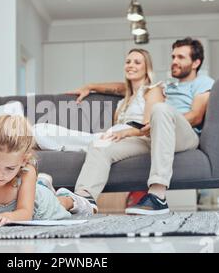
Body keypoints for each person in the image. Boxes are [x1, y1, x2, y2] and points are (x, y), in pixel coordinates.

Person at [67, 37, 214, 215]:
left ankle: (158, 196)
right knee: (101, 145)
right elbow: (124, 87)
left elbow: (196, 116)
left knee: (160, 110)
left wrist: (156, 121)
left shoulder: (203, 82)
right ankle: (84, 199)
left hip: (183, 135)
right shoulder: (166, 86)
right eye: (173, 56)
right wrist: (90, 86)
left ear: (195, 63)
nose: (174, 61)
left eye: (181, 57)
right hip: (153, 134)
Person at [34, 48, 165, 214]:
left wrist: (124, 133)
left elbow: (149, 126)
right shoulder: (127, 95)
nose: (131, 65)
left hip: (137, 138)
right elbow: (117, 87)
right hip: (112, 137)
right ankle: (42, 185)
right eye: (128, 61)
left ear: (147, 68)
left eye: (137, 62)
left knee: (98, 146)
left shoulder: (153, 90)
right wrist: (89, 87)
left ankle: (83, 198)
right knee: (41, 130)